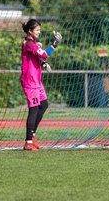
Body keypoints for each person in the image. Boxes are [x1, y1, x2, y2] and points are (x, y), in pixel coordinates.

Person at [20, 19, 62, 151]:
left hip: (36, 81)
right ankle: (28, 142)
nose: (39, 32)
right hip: (30, 81)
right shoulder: (29, 44)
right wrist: (55, 43)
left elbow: (38, 57)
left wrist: (43, 64)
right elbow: (44, 54)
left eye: (39, 30)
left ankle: (32, 135)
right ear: (30, 31)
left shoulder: (34, 44)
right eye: (37, 30)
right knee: (34, 109)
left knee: (43, 105)